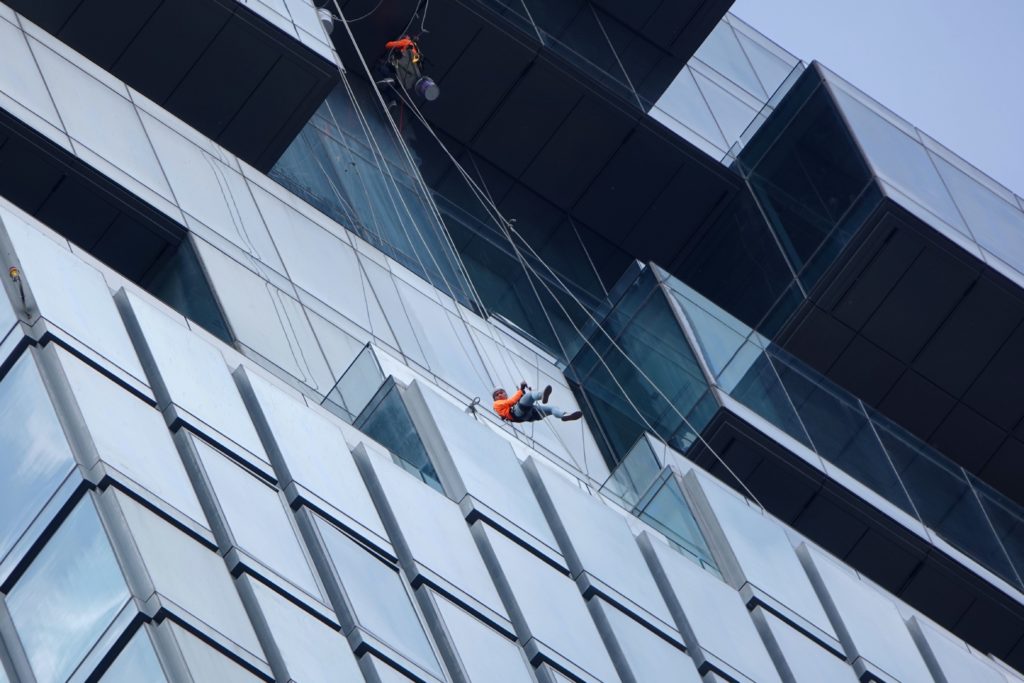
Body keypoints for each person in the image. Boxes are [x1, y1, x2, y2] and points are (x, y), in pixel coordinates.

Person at [493, 382, 582, 423]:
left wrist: (522, 390)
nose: (500, 395)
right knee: (531, 395)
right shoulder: (496, 404)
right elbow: (512, 401)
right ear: (495, 399)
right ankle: (542, 395)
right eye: (497, 395)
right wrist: (521, 390)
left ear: (505, 393)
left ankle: (563, 415)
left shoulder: (507, 404)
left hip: (529, 415)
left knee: (552, 408)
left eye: (501, 392)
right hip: (517, 413)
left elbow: (515, 401)